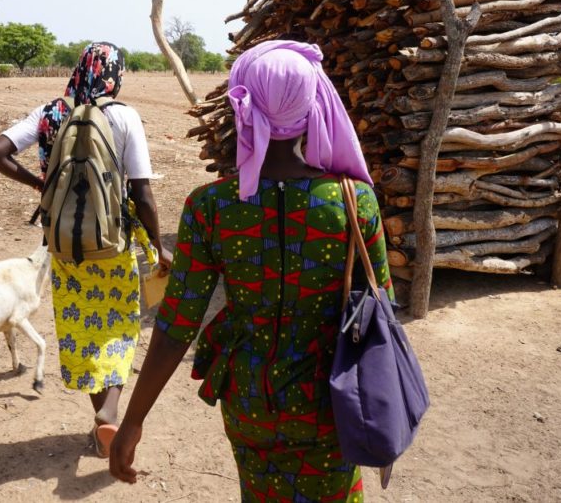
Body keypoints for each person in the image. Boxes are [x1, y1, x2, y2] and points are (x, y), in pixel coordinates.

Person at [108, 40, 395, 502]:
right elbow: (382, 307)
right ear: (312, 105)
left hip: (249, 401)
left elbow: (176, 324)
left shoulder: (212, 206)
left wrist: (133, 420)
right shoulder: (354, 201)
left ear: (244, 107)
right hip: (333, 402)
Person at [0, 40, 172, 456]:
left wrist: (41, 185)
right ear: (115, 74)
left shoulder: (52, 112)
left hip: (65, 245)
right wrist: (158, 245)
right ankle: (111, 411)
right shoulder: (123, 116)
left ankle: (102, 418)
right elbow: (142, 192)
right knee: (119, 327)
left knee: (82, 333)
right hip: (113, 243)